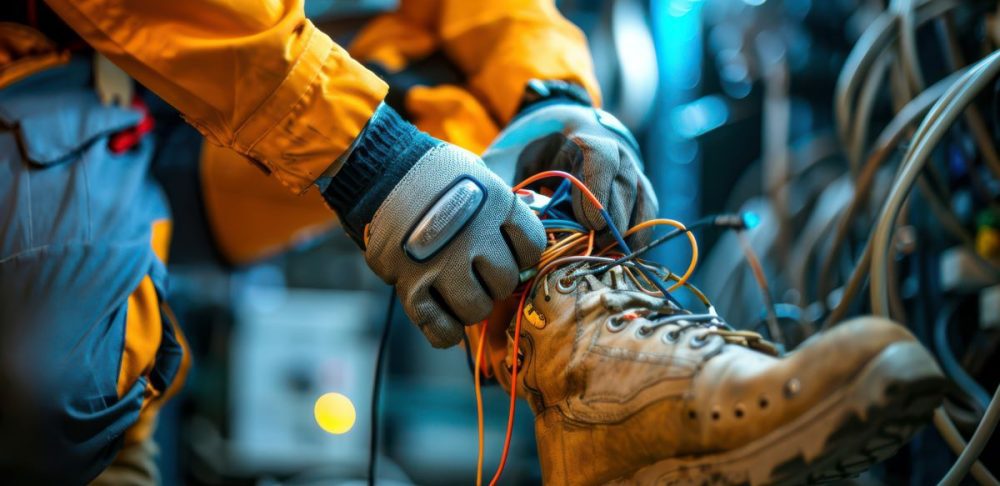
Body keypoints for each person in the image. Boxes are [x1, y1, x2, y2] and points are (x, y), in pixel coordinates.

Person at [0, 0, 656, 482]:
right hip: (46, 66)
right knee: (58, 399)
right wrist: (371, 159)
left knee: (465, 86)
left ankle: (566, 321)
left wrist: (553, 95)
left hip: (210, 135)